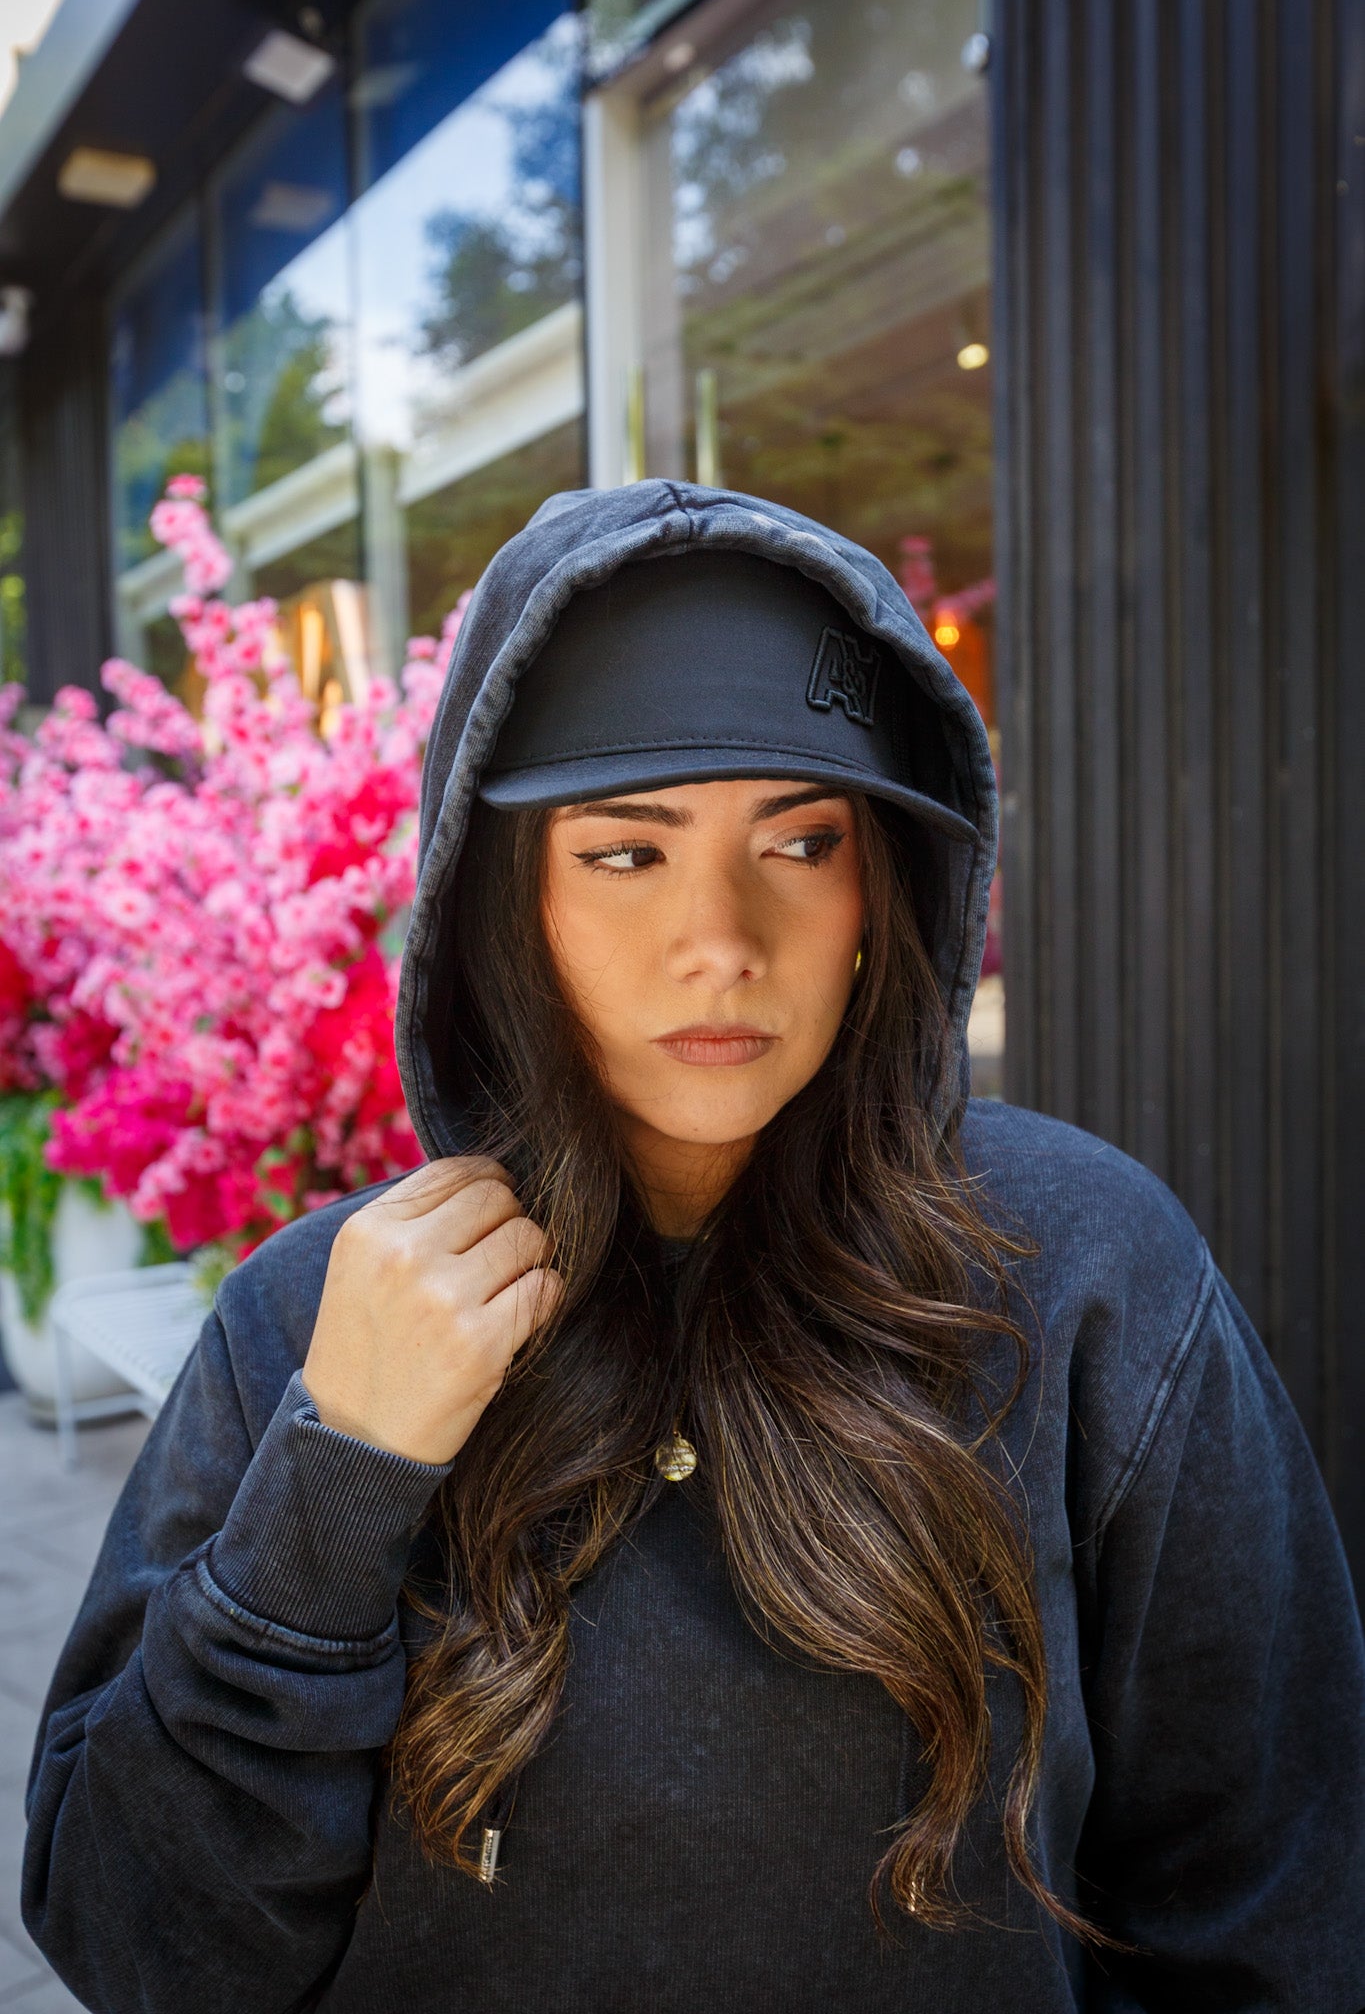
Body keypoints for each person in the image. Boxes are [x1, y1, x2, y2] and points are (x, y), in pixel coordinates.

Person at [23, 483, 1365, 2014]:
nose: (720, 938)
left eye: (798, 842)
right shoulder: (325, 1315)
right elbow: (136, 1948)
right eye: (624, 853)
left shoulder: (1084, 1272)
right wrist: (338, 1479)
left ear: (885, 883)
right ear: (498, 894)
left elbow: (1270, 1894)